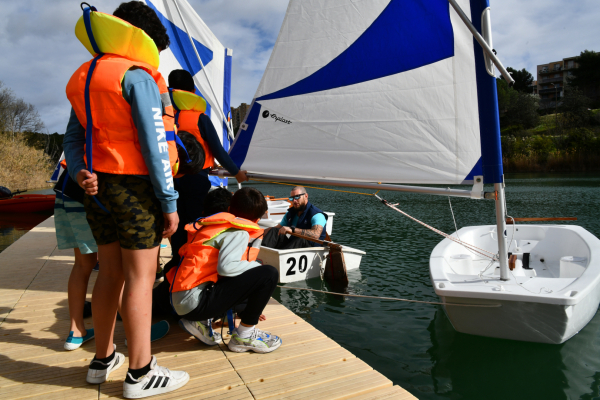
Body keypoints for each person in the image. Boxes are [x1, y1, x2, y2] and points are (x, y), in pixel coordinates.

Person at [63, 2, 192, 398]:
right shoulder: (137, 78)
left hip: (96, 189)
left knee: (110, 273)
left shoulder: (86, 76)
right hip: (135, 189)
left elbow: (72, 138)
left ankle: (103, 360)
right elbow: (155, 147)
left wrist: (79, 172)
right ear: (143, 39)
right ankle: (141, 371)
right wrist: (169, 203)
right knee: (140, 278)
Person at [166, 188, 282, 353]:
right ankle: (244, 335)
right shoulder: (239, 233)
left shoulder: (212, 227)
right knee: (269, 274)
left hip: (181, 300)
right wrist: (257, 267)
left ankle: (200, 321)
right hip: (194, 304)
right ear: (257, 219)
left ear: (229, 209)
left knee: (244, 273)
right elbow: (226, 268)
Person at [165, 69, 248, 275]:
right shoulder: (199, 118)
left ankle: (176, 261)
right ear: (193, 91)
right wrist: (236, 173)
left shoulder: (165, 116)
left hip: (170, 179)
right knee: (194, 224)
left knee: (175, 222)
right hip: (196, 179)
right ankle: (191, 265)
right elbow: (218, 150)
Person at [53, 166, 97, 351]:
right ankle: (134, 332)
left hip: (67, 190)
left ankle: (76, 331)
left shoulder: (77, 139)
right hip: (91, 194)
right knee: (115, 266)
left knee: (81, 264)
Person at [262, 186, 328, 249]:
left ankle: (281, 256)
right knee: (274, 231)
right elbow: (277, 228)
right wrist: (258, 232)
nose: (294, 201)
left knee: (301, 239)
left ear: (306, 196)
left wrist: (292, 230)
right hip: (293, 247)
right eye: (292, 198)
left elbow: (316, 235)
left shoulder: (317, 215)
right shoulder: (290, 213)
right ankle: (262, 253)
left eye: (297, 197)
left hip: (311, 250)